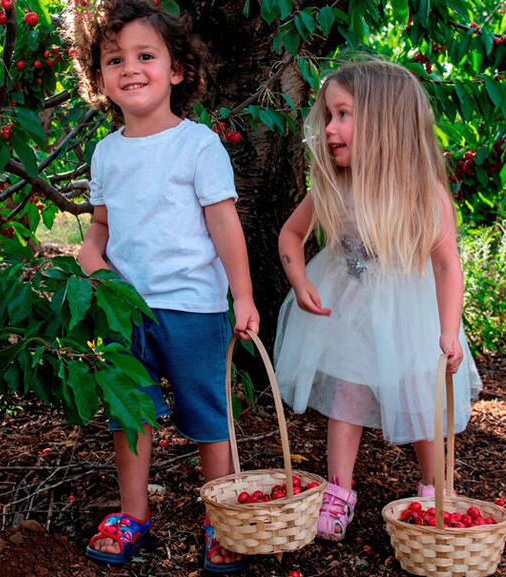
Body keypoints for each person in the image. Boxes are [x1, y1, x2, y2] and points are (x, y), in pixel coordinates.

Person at [64, 1, 257, 572]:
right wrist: (89, 257)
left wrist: (242, 296)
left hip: (194, 309)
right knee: (131, 414)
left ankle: (219, 518)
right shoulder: (105, 152)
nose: (130, 68)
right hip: (126, 310)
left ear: (176, 69)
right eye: (113, 59)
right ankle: (133, 514)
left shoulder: (197, 144)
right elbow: (101, 226)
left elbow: (224, 223)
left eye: (146, 55)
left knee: (208, 416)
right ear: (98, 78)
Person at [274, 59, 483, 541]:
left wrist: (448, 330)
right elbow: (291, 233)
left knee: (418, 396)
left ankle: (436, 488)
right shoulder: (333, 184)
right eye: (328, 116)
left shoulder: (422, 193)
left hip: (408, 316)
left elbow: (448, 266)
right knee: (347, 393)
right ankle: (338, 489)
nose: (330, 129)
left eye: (343, 115)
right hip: (346, 311)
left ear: (384, 122)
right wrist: (299, 280)